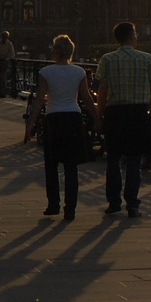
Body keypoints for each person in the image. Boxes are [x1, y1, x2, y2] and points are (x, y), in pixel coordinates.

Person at [24, 34, 96, 220]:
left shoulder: (46, 72)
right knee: (71, 167)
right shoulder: (79, 72)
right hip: (73, 117)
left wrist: (30, 123)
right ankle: (70, 208)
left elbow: (40, 99)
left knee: (51, 164)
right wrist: (97, 118)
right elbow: (86, 98)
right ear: (71, 52)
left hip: (53, 118)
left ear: (55, 52)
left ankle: (53, 204)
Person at [94, 21, 151, 218]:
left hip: (115, 114)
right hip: (138, 114)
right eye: (136, 35)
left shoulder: (107, 59)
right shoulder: (146, 59)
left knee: (113, 160)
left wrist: (99, 115)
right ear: (131, 36)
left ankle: (114, 202)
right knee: (134, 161)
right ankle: (133, 203)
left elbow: (102, 91)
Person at [0, 31, 17, 97]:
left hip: (4, 62)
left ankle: (3, 93)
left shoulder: (9, 44)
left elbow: (12, 54)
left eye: (6, 37)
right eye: (3, 37)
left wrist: (7, 59)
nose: (4, 38)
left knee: (2, 77)